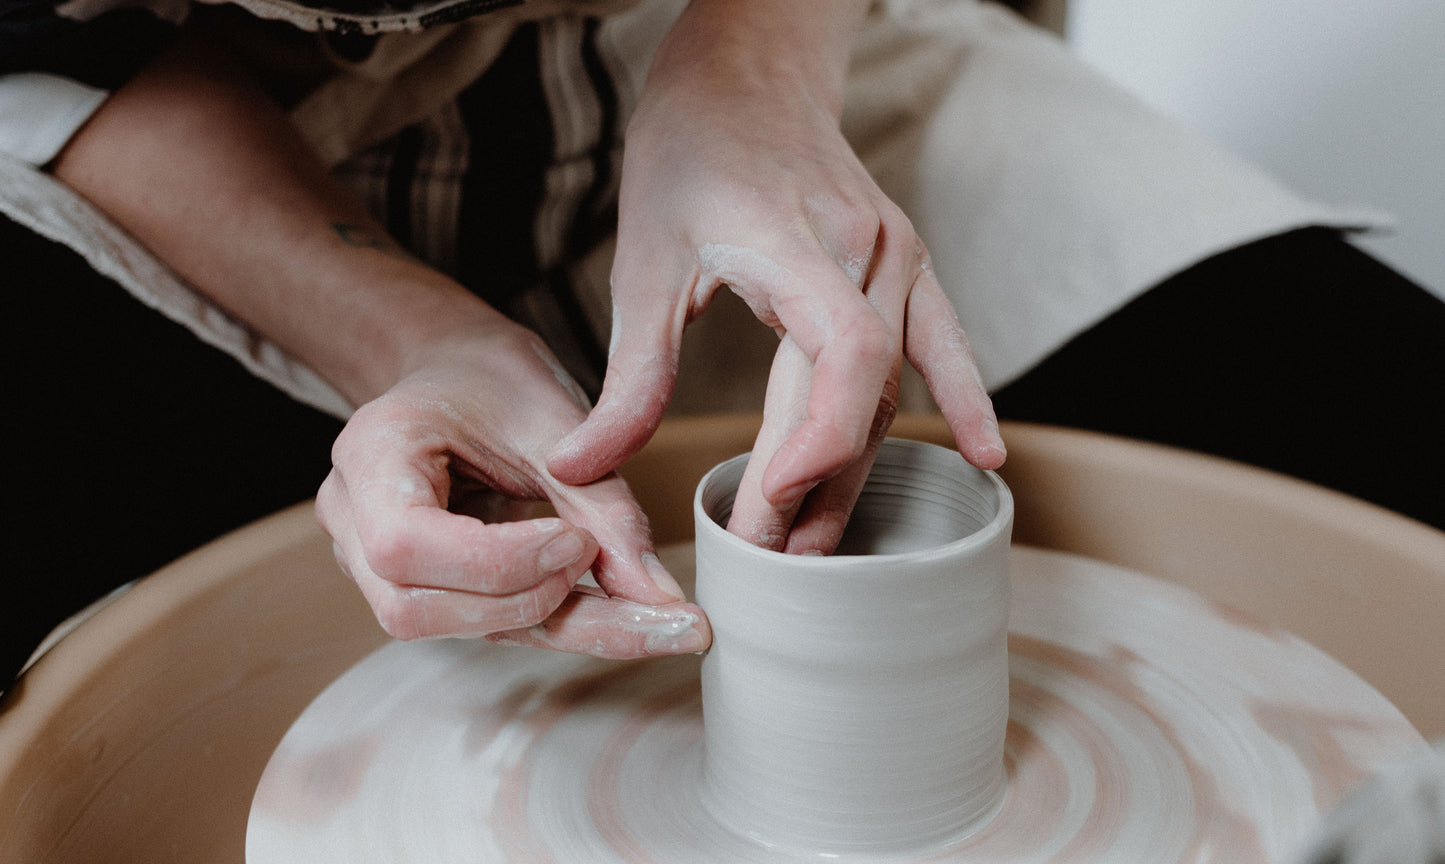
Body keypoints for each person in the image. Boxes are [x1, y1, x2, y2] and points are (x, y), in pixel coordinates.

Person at [2, 0, 1441, 687]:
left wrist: (750, 83)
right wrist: (411, 338)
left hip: (706, 36)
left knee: (1375, 429)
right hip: (189, 138)